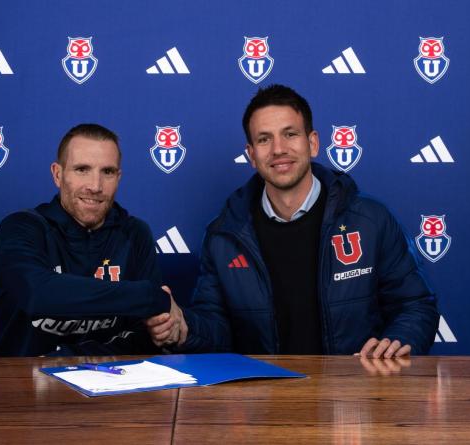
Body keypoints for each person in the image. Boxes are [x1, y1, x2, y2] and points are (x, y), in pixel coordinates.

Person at [147, 85, 439, 357]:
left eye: (290, 134)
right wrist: (183, 327)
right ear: (251, 155)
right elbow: (217, 330)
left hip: (355, 397)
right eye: (264, 139)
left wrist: (398, 342)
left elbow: (415, 306)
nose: (278, 149)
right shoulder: (224, 235)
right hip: (266, 401)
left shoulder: (371, 220)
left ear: (312, 143)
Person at [0, 123, 183, 357]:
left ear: (118, 178)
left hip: (113, 382)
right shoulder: (21, 227)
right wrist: (149, 295)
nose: (95, 186)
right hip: (23, 384)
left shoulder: (135, 233)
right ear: (58, 174)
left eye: (108, 172)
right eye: (82, 169)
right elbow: (37, 294)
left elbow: (146, 335)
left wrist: (68, 360)